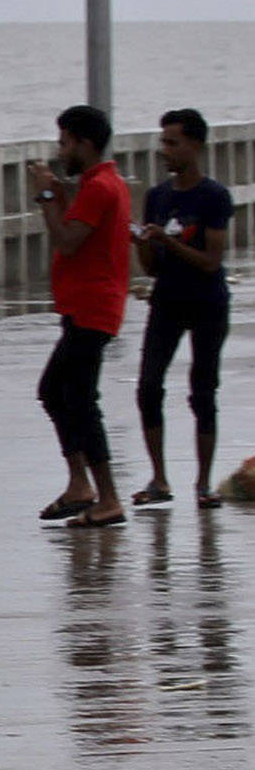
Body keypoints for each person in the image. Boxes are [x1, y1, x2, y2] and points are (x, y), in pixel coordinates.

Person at [29, 103, 133, 529]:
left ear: (85, 144)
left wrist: (48, 195)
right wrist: (60, 194)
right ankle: (80, 484)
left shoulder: (102, 186)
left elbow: (68, 240)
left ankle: (105, 496)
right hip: (83, 307)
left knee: (79, 398)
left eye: (66, 142)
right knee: (56, 391)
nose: (60, 150)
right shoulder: (96, 183)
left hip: (95, 307)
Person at [132, 106, 232, 510]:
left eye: (172, 143)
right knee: (148, 387)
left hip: (207, 302)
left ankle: (203, 484)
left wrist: (170, 243)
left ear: (195, 145)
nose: (165, 150)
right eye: (163, 142)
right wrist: (143, 244)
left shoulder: (213, 196)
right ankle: (159, 478)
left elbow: (211, 261)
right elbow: (152, 267)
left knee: (202, 391)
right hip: (167, 301)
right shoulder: (158, 197)